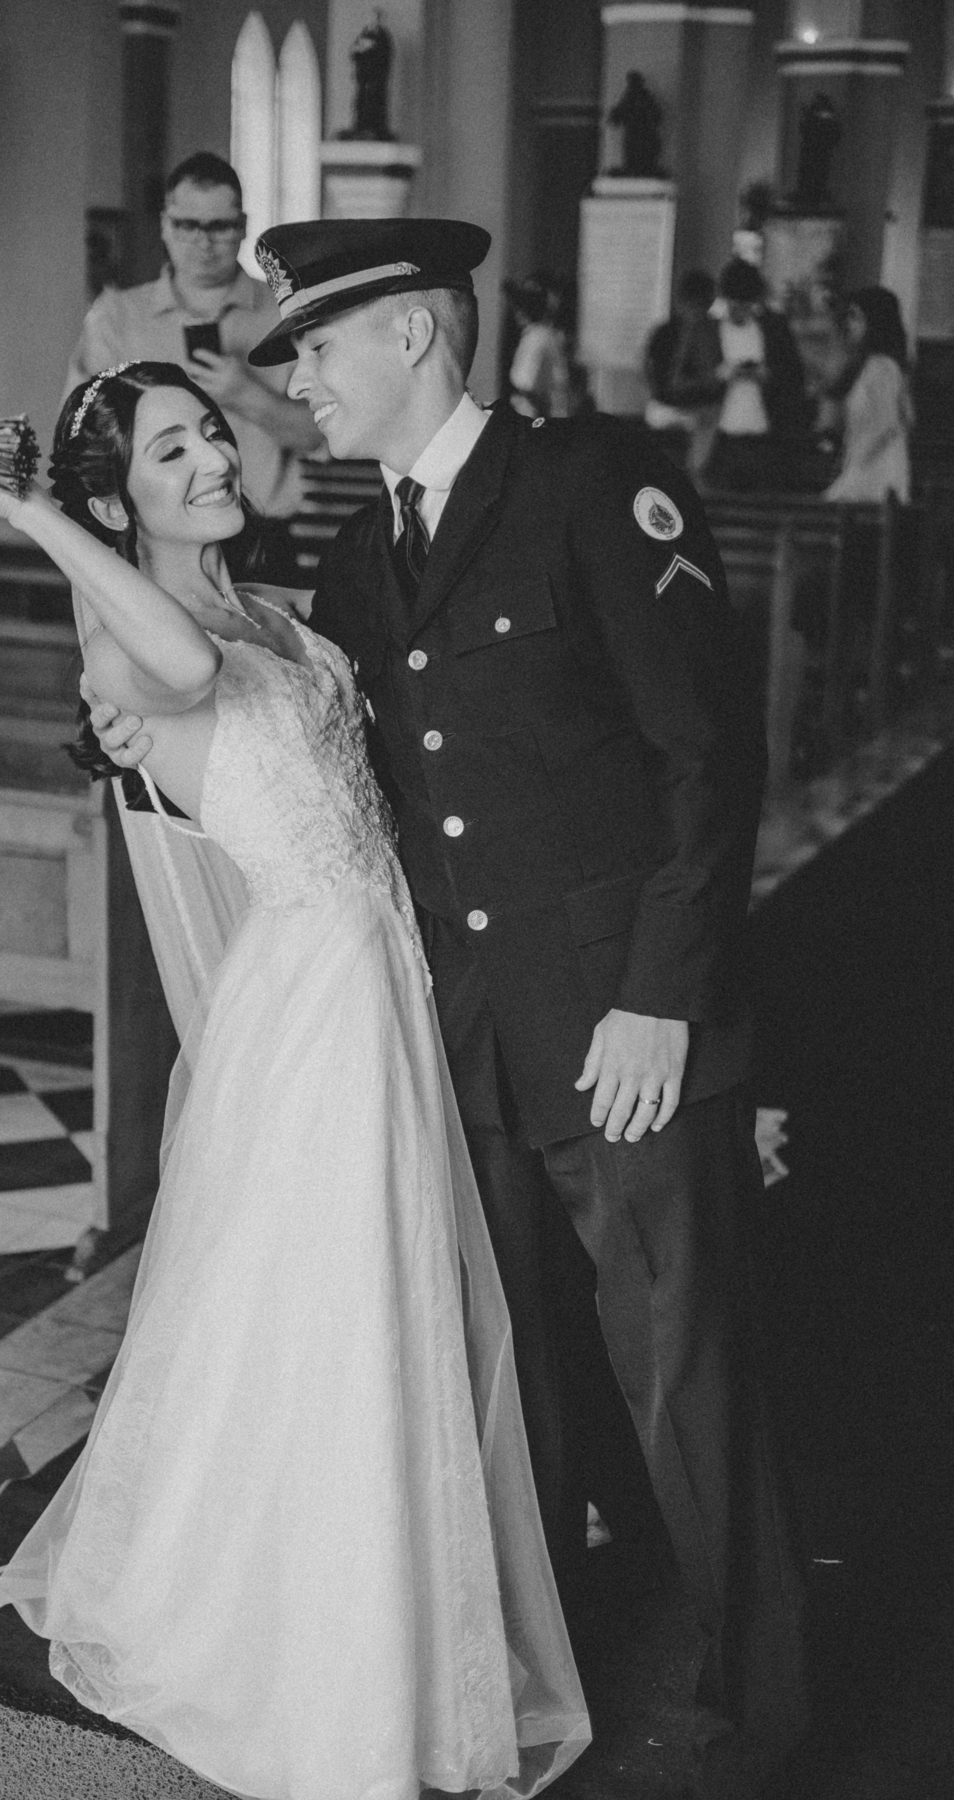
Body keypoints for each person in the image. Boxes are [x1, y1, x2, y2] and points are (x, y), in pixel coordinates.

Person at [0, 364, 589, 1800]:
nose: (215, 457)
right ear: (115, 502)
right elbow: (185, 672)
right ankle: (333, 1675)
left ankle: (399, 1622)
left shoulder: (271, 608)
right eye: (171, 452)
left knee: (387, 1310)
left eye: (210, 431)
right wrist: (29, 512)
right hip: (317, 1006)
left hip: (384, 968)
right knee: (344, 1315)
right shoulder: (123, 651)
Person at [223, 216, 807, 1800]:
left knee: (683, 1374)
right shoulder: (359, 557)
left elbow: (706, 757)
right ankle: (547, 1672)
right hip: (469, 1035)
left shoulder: (592, 486)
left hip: (623, 1031)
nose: (300, 382)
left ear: (413, 332)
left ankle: (757, 1717)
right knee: (523, 1376)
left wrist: (663, 1001)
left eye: (318, 347)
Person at [65, 152, 321, 574]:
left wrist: (247, 395)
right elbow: (80, 441)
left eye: (219, 226)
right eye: (188, 225)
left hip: (261, 538)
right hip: (149, 543)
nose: (204, 243)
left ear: (243, 226)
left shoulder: (287, 312)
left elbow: (318, 434)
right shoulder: (117, 317)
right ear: (165, 225)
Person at [701, 258, 810, 493]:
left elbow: (795, 377)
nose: (739, 311)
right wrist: (720, 376)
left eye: (745, 306)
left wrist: (768, 375)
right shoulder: (709, 330)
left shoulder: (774, 328)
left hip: (767, 439)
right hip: (721, 439)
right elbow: (694, 379)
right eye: (733, 304)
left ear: (756, 302)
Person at [824, 285, 912, 503]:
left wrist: (853, 466)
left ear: (875, 323)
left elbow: (888, 424)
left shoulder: (882, 367)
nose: (849, 324)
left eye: (856, 317)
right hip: (866, 465)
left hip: (876, 471)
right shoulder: (869, 365)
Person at [643, 269, 725, 477]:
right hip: (678, 409)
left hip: (666, 408)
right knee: (712, 418)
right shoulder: (704, 331)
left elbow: (650, 372)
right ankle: (696, 476)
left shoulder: (664, 331)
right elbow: (668, 381)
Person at [504, 275, 574, 420]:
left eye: (522, 307)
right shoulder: (537, 334)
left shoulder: (540, 337)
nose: (517, 313)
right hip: (528, 404)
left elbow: (529, 383)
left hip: (532, 407)